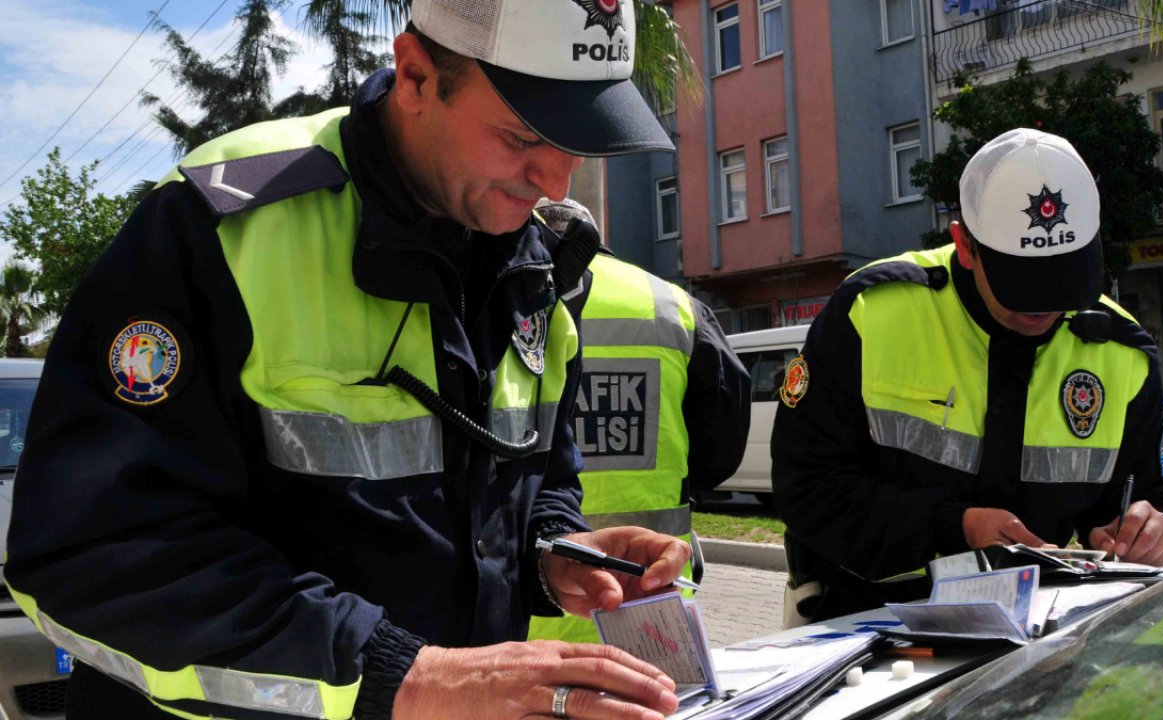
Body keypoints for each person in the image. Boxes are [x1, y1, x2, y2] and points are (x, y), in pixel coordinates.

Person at [4, 2, 696, 719]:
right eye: (523, 134)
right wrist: (407, 676)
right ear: (417, 75)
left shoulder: (538, 260)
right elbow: (90, 557)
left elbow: (534, 477)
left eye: (576, 142)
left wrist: (552, 554)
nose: (555, 180)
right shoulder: (220, 229)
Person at [772, 128, 1163, 622]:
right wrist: (954, 526)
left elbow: (1145, 498)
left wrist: (1145, 533)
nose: (1046, 307)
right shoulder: (871, 313)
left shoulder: (1123, 352)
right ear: (965, 245)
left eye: (1067, 278)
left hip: (1034, 634)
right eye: (1025, 284)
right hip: (861, 622)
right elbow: (806, 487)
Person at [526, 198, 751, 644]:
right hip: (647, 607)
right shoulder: (674, 306)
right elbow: (721, 451)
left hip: (527, 616)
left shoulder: (504, 301)